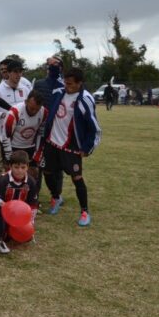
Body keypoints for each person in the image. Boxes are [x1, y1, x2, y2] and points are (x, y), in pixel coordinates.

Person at [36, 58, 101, 226]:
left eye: (71, 84)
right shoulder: (58, 92)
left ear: (80, 83)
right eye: (66, 82)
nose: (67, 86)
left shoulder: (85, 99)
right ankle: (56, 198)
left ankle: (85, 211)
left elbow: (95, 128)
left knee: (77, 178)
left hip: (70, 146)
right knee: (48, 172)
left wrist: (87, 148)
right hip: (52, 142)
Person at [0, 150, 38, 242]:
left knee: (27, 237)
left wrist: (30, 222)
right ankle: (0, 235)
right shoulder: (2, 180)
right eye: (16, 167)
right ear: (10, 167)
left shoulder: (31, 182)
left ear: (27, 167)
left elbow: (32, 205)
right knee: (5, 238)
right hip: (4, 212)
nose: (19, 170)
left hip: (21, 214)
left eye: (23, 167)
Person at [3, 90, 47, 184]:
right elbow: (5, 136)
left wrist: (38, 153)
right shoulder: (14, 112)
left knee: (34, 173)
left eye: (37, 109)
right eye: (31, 108)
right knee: (12, 173)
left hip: (30, 146)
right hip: (13, 145)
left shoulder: (44, 112)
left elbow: (41, 134)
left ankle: (32, 196)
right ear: (26, 101)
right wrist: (8, 155)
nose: (34, 112)